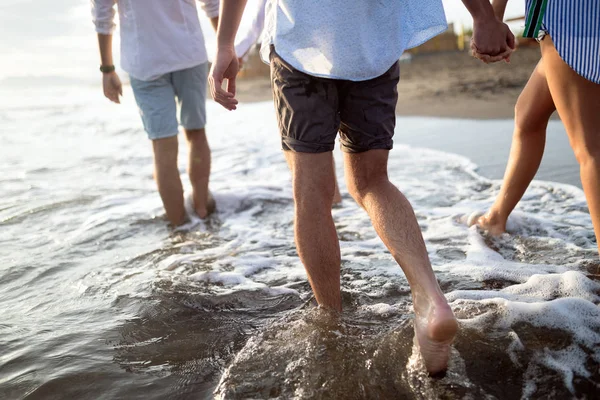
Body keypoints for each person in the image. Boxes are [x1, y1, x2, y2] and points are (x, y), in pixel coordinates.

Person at [209, 0, 515, 375]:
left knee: (312, 195)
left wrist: (225, 44)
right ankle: (429, 296)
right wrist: (483, 16)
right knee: (372, 182)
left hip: (302, 45)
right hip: (373, 47)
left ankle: (332, 323)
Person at [470, 0, 600, 255]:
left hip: (572, 20)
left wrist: (493, 17)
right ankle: (496, 217)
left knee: (591, 150)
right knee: (528, 115)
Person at [91, 0, 220, 226]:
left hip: (144, 62)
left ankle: (179, 227)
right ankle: (201, 209)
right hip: (189, 53)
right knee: (196, 132)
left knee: (163, 144)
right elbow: (212, 4)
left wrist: (107, 68)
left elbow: (102, 14)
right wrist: (226, 47)